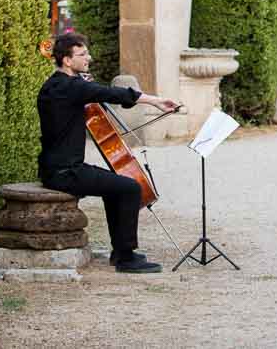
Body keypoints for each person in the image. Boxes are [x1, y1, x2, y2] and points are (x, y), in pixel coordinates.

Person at [38, 33, 180, 273]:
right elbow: (111, 93)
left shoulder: (56, 84)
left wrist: (86, 88)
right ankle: (125, 258)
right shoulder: (71, 86)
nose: (88, 58)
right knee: (130, 188)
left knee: (117, 188)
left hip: (58, 168)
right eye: (82, 54)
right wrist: (155, 101)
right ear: (66, 61)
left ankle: (121, 251)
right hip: (66, 173)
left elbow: (90, 92)